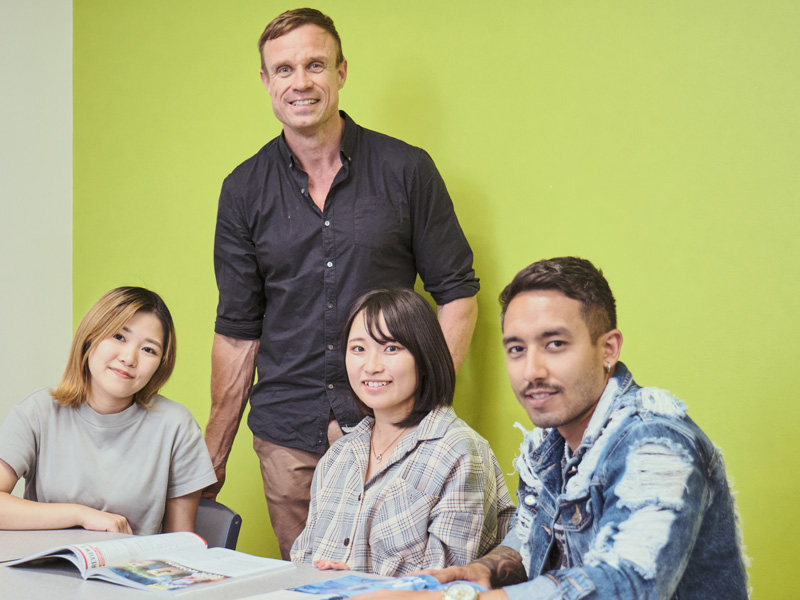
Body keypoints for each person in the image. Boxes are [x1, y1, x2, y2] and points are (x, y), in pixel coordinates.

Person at [206, 8, 479, 558]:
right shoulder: (242, 191)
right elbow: (238, 331)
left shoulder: (407, 170)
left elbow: (457, 292)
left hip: (393, 429)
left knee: (403, 589)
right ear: (265, 81)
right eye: (283, 69)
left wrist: (423, 413)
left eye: (315, 65)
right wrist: (213, 454)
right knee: (311, 584)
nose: (300, 81)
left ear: (341, 72)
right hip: (289, 434)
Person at [356, 257, 749, 600]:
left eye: (555, 344)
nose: (532, 371)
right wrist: (482, 572)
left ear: (608, 348)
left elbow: (627, 584)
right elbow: (528, 539)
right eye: (517, 349)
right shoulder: (551, 442)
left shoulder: (655, 443)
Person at [291, 289, 514, 576]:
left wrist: (355, 581)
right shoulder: (339, 454)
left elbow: (443, 584)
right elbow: (302, 562)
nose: (371, 366)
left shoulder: (459, 451)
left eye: (391, 348)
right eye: (358, 349)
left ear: (424, 357)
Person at [0, 287, 217, 535]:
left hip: (130, 571)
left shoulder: (176, 426)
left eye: (149, 350)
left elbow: (181, 542)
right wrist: (81, 515)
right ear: (90, 337)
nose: (129, 358)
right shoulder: (38, 412)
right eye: (119, 336)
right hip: (45, 569)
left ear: (160, 365)